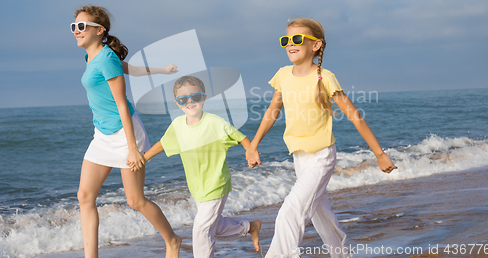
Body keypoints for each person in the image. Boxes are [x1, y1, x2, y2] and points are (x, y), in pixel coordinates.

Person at [250, 18, 397, 258]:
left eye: (297, 39)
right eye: (286, 40)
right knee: (320, 213)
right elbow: (271, 113)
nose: (290, 44)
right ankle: (341, 254)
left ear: (315, 45)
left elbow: (355, 117)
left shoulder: (325, 78)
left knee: (291, 211)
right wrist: (254, 145)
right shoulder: (283, 75)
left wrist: (379, 154)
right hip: (299, 158)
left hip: (321, 157)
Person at [72, 5, 181, 258]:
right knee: (85, 195)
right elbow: (129, 68)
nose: (76, 31)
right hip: (102, 134)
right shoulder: (92, 56)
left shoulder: (106, 58)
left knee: (135, 201)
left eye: (81, 26)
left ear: (99, 31)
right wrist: (162, 70)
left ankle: (172, 240)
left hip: (125, 133)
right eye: (74, 26)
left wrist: (132, 148)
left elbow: (122, 104)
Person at [131, 75, 262, 258]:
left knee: (201, 231)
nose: (190, 102)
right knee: (214, 227)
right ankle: (250, 227)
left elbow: (241, 138)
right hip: (197, 187)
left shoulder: (215, 123)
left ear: (204, 97)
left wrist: (251, 152)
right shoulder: (177, 125)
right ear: (177, 103)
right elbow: (163, 143)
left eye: (196, 97)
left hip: (217, 184)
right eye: (183, 99)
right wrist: (143, 158)